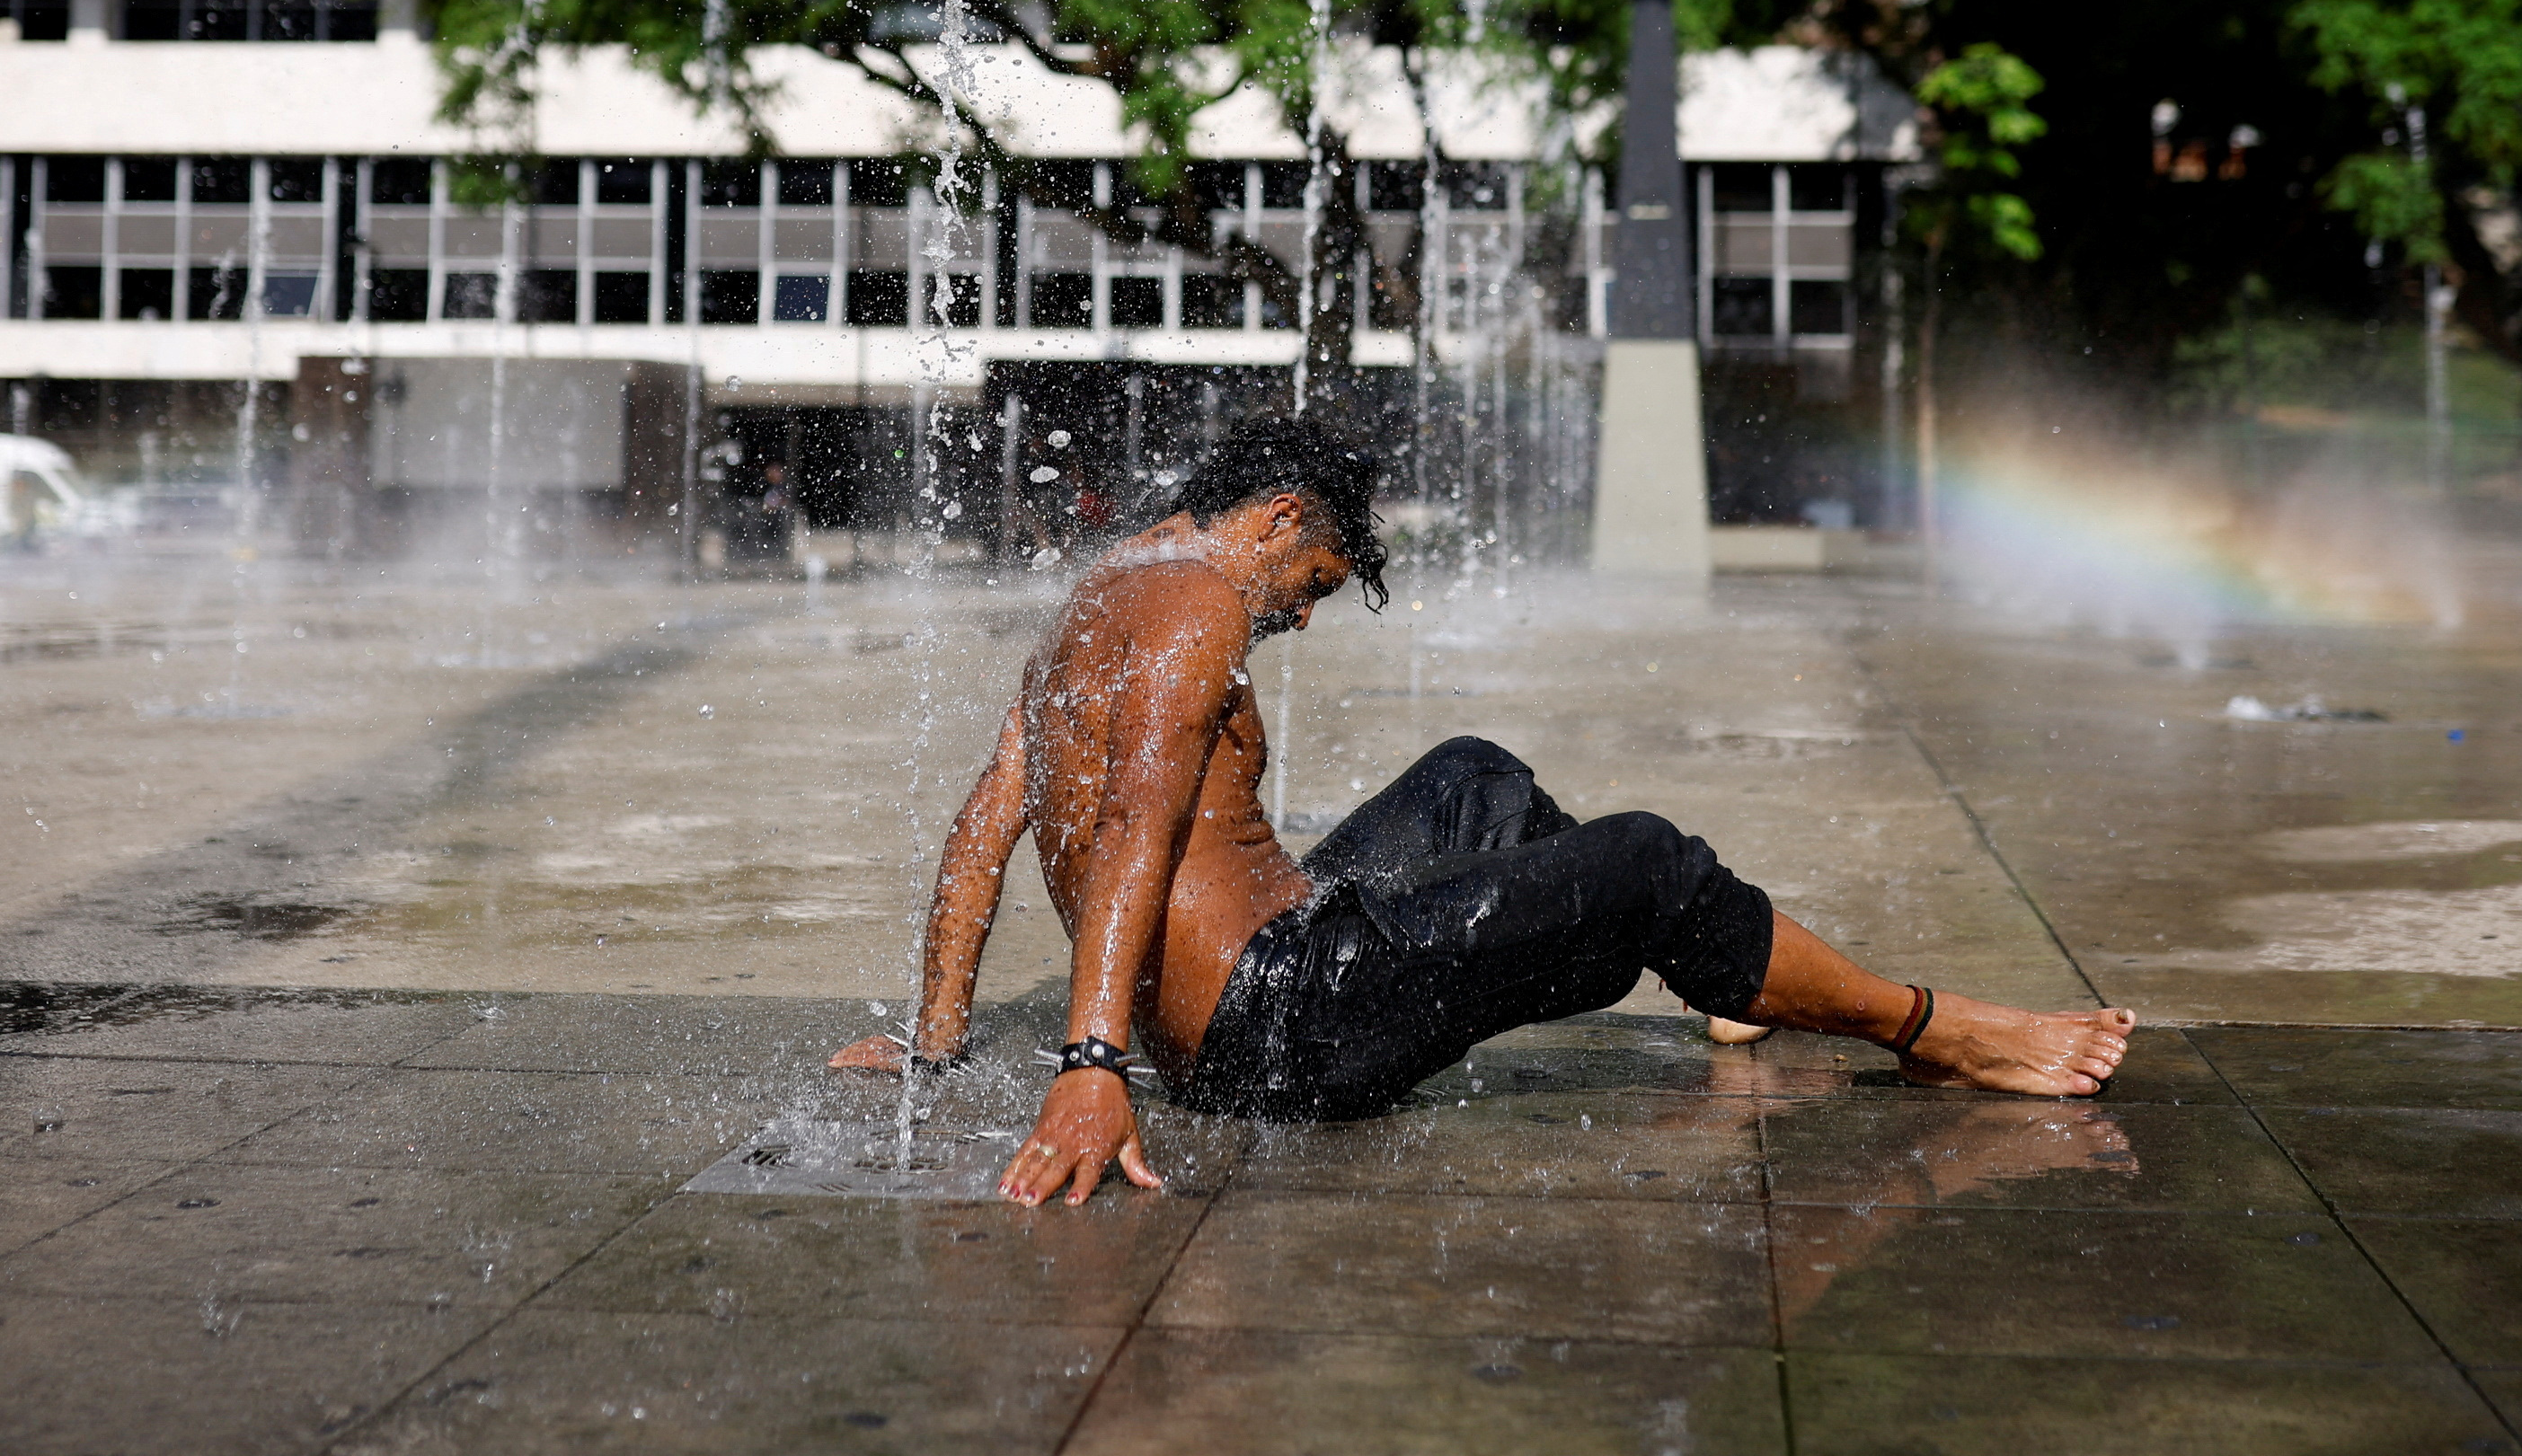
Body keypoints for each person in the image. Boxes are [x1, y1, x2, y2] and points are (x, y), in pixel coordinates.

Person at [830, 416, 2137, 1205]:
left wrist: (936, 1045)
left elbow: (978, 834)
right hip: (1282, 1029)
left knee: (1475, 779)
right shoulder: (1200, 607)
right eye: (1316, 580)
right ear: (1278, 519)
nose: (1300, 610)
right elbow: (1128, 834)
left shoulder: (1103, 594)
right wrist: (1089, 1070)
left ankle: (1731, 975)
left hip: (1272, 982)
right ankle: (1934, 1029)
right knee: (1647, 860)